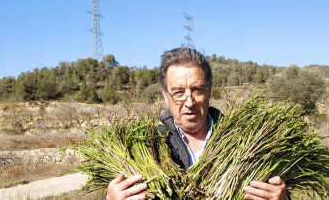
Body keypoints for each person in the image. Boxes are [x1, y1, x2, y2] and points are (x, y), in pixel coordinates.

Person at [106, 48, 289, 200]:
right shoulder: (144, 145)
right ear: (164, 94)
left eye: (197, 89)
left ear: (209, 89)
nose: (189, 101)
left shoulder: (248, 141)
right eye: (178, 91)